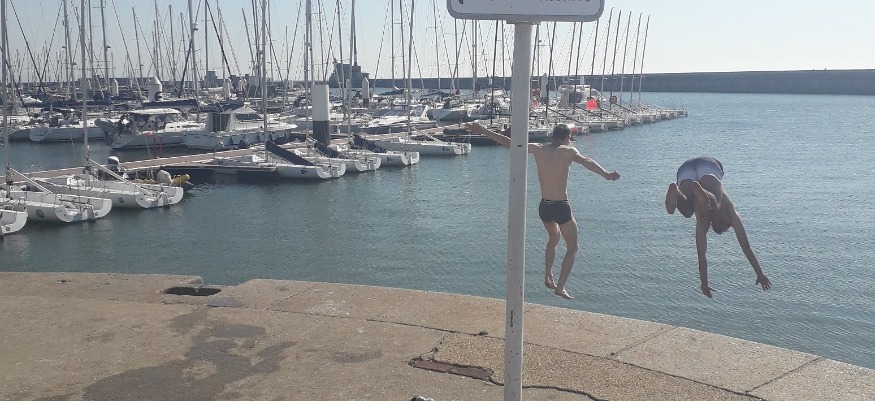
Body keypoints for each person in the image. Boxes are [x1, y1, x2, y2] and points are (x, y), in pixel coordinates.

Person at [467, 122, 621, 300]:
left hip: (545, 206)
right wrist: (607, 175)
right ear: (567, 138)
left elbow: (510, 143)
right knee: (572, 247)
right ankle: (560, 287)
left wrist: (482, 130)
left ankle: (548, 276)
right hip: (561, 206)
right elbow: (587, 161)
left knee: (554, 238)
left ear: (552, 136)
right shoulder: (568, 151)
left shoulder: (538, 148)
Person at [664, 157, 772, 298]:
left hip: (700, 167)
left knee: (688, 211)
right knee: (697, 209)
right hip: (693, 170)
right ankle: (689, 194)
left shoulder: (728, 216)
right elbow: (702, 255)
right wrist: (703, 283)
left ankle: (680, 193)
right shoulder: (712, 220)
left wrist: (760, 274)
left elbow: (746, 248)